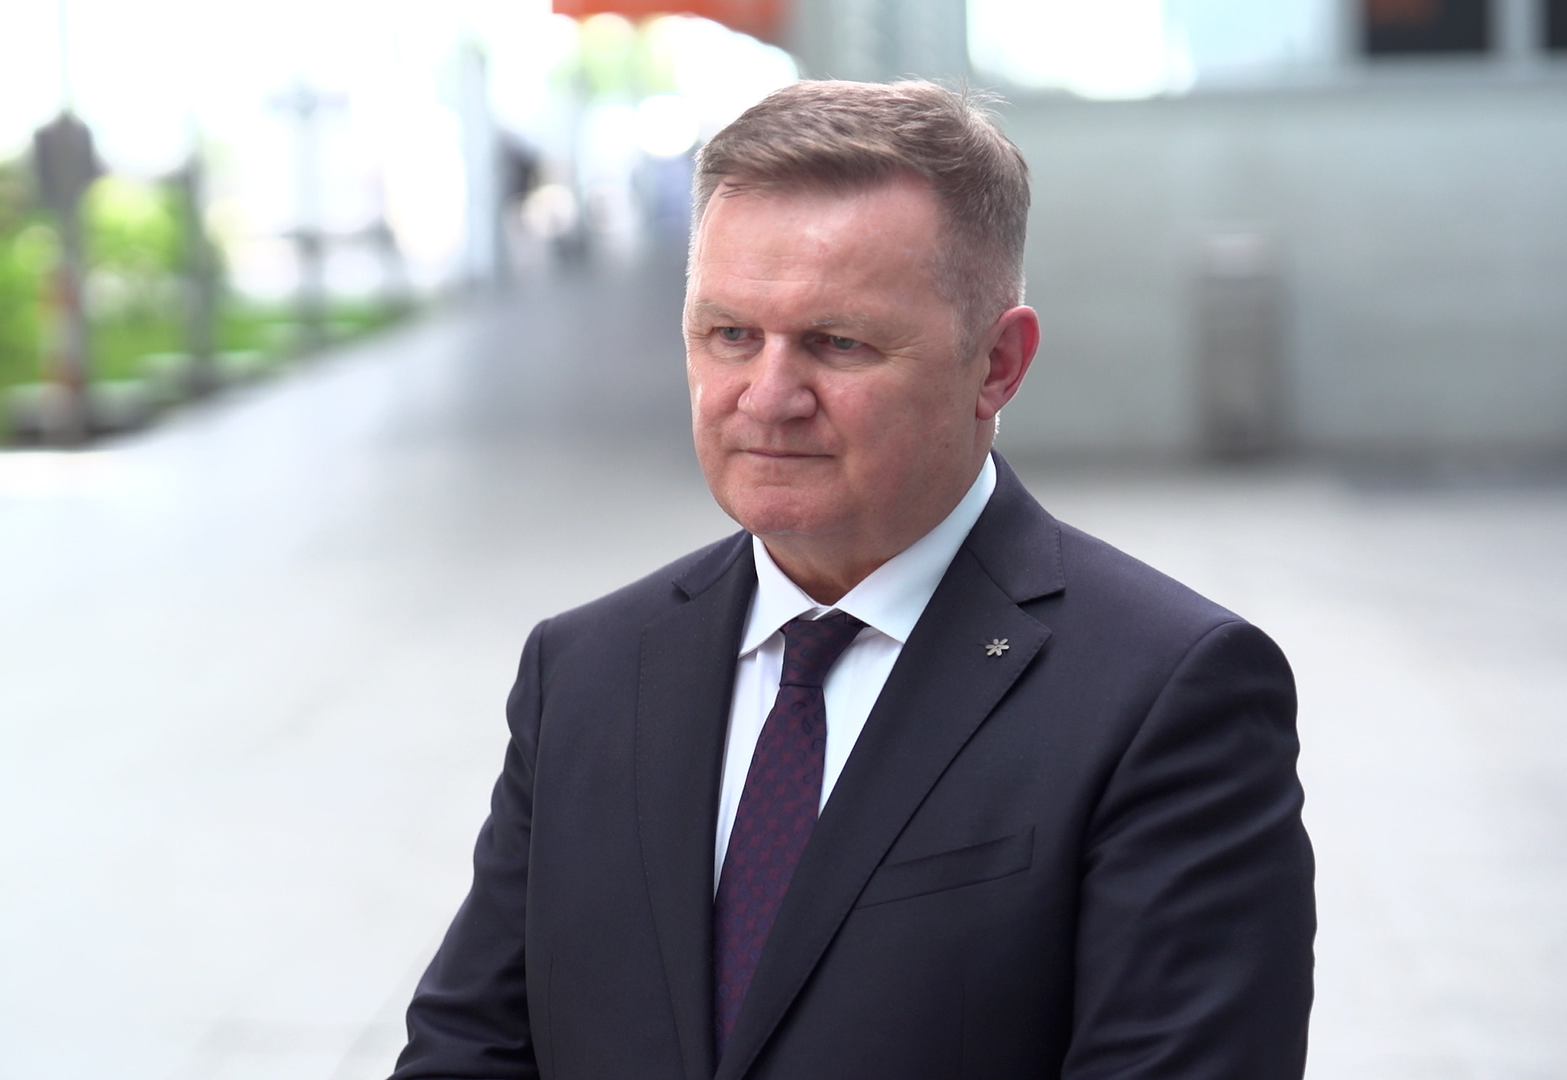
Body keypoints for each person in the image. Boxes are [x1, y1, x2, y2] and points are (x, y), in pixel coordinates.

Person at [390, 80, 1313, 1080]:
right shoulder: (584, 671)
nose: (767, 397)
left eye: (838, 343)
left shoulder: (1167, 695)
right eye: (730, 335)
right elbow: (470, 1045)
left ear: (997, 365)